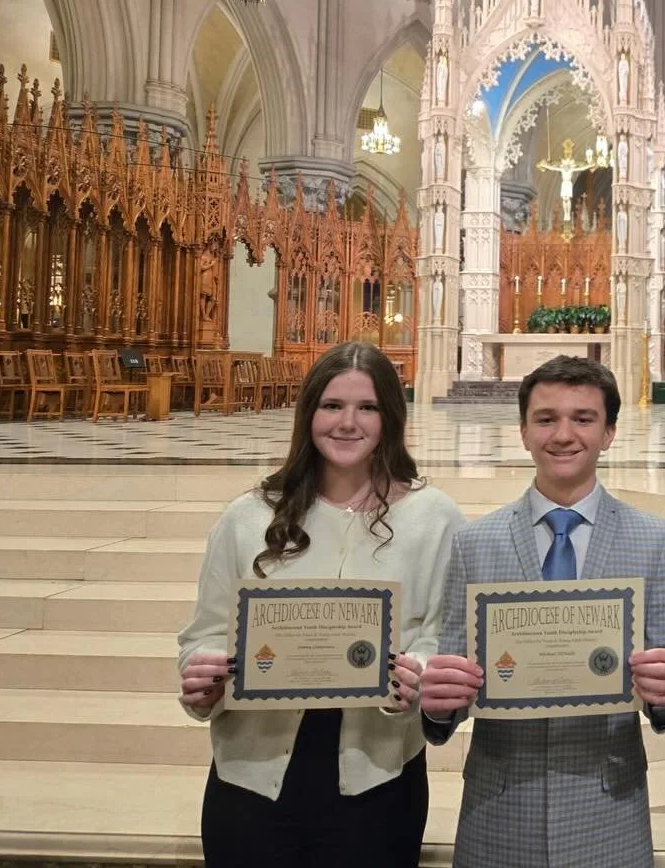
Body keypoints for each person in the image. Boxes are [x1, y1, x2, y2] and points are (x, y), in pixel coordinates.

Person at [177, 342, 465, 868]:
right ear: (308, 412)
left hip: (376, 777)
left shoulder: (436, 518)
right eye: (332, 405)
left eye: (368, 407)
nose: (347, 423)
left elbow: (442, 632)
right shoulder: (247, 517)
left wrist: (416, 673)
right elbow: (205, 632)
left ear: (391, 417)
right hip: (252, 776)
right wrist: (202, 676)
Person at [419, 356, 665, 868]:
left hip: (608, 806)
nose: (563, 434)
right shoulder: (476, 543)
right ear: (522, 431)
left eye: (583, 419)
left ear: (609, 432)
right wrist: (437, 701)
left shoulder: (650, 539)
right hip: (501, 807)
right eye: (546, 419)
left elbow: (664, 691)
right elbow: (447, 687)